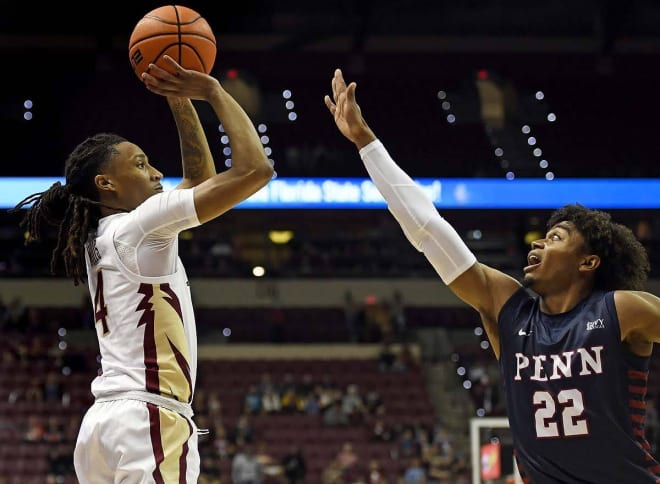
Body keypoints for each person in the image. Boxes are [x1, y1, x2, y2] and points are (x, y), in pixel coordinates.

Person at [325, 67, 660, 483]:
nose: (537, 244)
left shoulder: (621, 309)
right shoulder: (511, 310)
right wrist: (365, 142)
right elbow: (429, 230)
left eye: (555, 238)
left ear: (588, 262)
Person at [11, 56, 273, 483]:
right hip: (148, 417)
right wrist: (211, 92)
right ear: (106, 183)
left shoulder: (105, 235)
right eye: (139, 164)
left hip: (105, 423)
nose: (156, 172)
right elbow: (255, 171)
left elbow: (200, 180)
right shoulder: (140, 228)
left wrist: (179, 100)